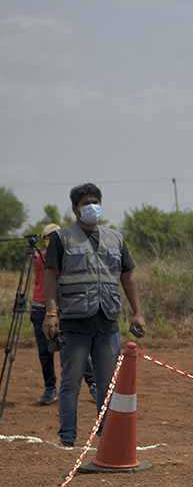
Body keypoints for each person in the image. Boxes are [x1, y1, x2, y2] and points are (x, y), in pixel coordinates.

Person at [42, 184, 146, 448]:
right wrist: (51, 312)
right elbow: (51, 276)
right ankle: (68, 437)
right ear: (76, 208)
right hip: (75, 322)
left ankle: (106, 435)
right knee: (71, 382)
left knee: (106, 383)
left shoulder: (116, 238)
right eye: (86, 202)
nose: (92, 206)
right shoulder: (61, 239)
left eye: (95, 201)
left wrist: (137, 313)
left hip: (107, 320)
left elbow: (128, 276)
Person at [29, 224, 95, 405]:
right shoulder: (39, 256)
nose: (53, 239)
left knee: (75, 349)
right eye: (49, 236)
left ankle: (93, 384)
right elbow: (42, 260)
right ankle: (50, 389)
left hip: (64, 308)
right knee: (45, 352)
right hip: (40, 308)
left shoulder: (68, 254)